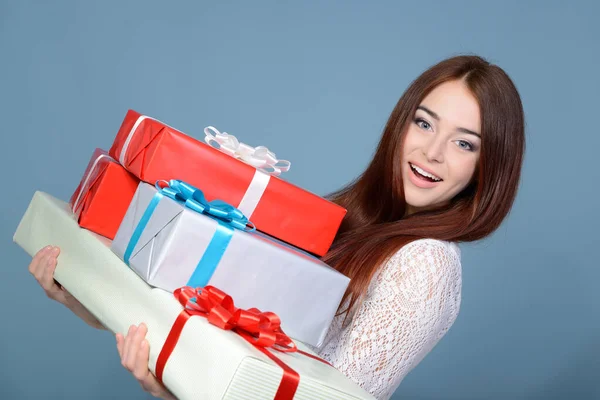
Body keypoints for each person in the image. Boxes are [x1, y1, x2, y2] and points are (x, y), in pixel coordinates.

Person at [27, 54, 525, 400]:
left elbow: (316, 395)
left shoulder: (427, 260)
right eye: (424, 123)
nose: (432, 151)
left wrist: (172, 386)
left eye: (465, 143)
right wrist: (87, 295)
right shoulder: (358, 220)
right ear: (401, 124)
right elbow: (218, 320)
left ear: (488, 167)